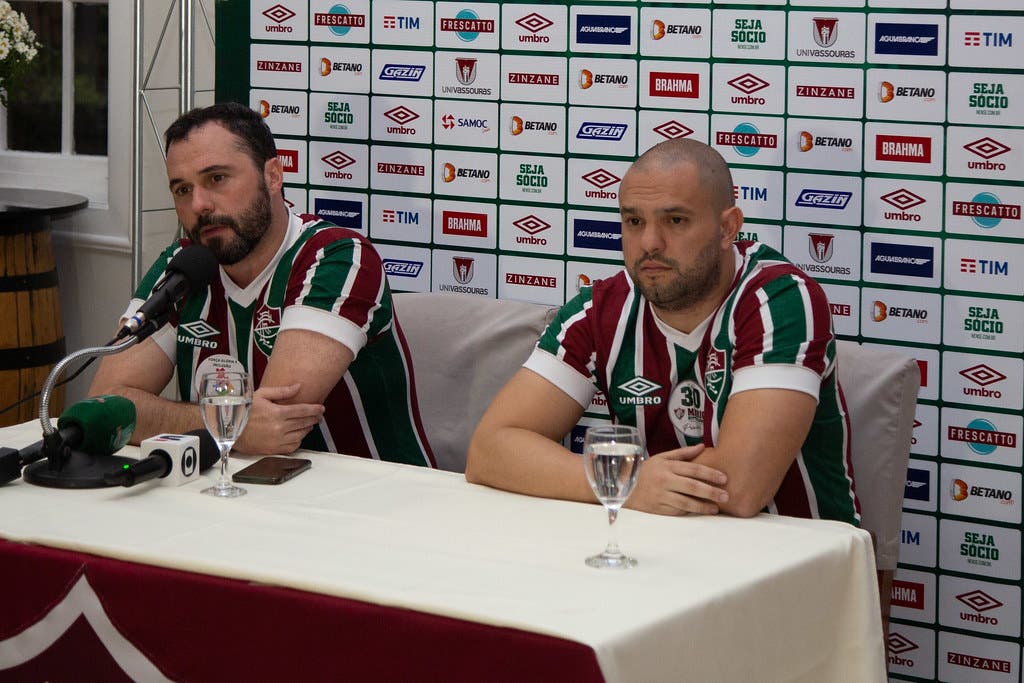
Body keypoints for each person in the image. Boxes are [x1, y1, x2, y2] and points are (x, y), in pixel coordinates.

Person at [466, 139, 858, 523]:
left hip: (796, 563)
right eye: (634, 222)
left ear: (728, 229)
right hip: (658, 552)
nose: (650, 243)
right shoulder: (601, 309)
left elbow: (739, 487)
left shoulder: (780, 300)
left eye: (675, 220)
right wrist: (630, 483)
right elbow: (490, 449)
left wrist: (619, 477)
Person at [89, 102, 433, 466]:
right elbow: (106, 401)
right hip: (241, 492)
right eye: (182, 190)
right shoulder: (183, 268)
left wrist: (198, 422)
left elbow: (274, 429)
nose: (199, 204)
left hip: (371, 502)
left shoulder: (338, 257)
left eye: (216, 179)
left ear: (272, 176)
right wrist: (231, 423)